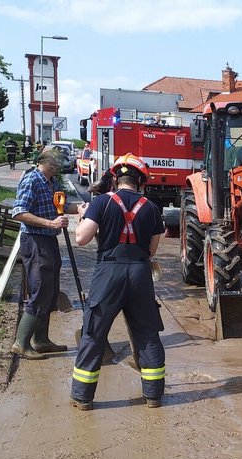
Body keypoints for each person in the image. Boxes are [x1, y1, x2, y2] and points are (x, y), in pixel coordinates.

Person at [71, 153, 166, 410]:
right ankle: (154, 396)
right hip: (139, 273)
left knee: (93, 333)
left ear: (115, 178)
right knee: (147, 334)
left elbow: (81, 238)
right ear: (140, 181)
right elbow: (153, 250)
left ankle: (83, 398)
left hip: (108, 274)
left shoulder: (101, 202)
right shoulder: (152, 208)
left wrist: (83, 215)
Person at [10, 148, 69, 359]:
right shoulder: (31, 181)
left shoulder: (53, 182)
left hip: (49, 240)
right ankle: (21, 343)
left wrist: (81, 208)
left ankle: (41, 340)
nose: (59, 166)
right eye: (57, 162)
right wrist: (50, 223)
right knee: (40, 289)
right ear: (47, 161)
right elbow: (18, 212)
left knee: (50, 290)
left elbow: (61, 205)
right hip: (35, 240)